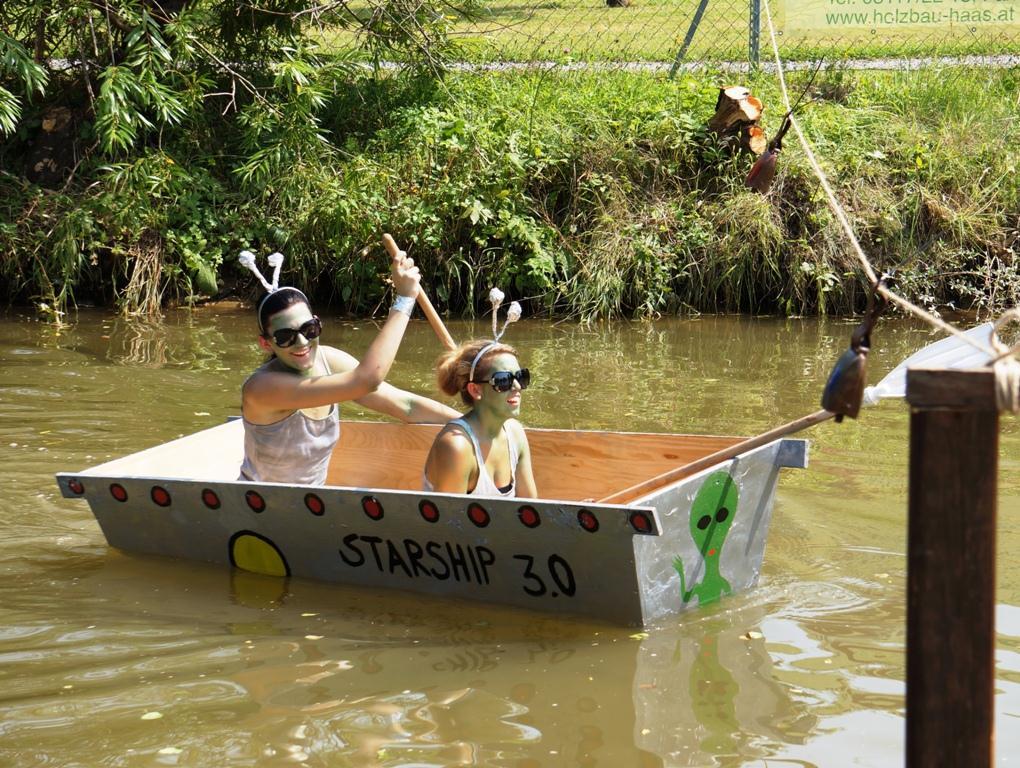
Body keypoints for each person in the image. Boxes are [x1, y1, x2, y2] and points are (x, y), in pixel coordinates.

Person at [237, 243, 460, 485]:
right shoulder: (261, 388)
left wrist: (471, 425)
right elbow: (367, 379)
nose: (301, 342)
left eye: (309, 329)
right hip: (261, 507)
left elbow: (405, 406)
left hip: (312, 506)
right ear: (266, 343)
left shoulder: (329, 359)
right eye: (285, 336)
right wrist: (405, 299)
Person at [423, 338, 537, 498]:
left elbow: (530, 508)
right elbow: (450, 520)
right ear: (475, 390)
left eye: (521, 376)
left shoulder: (515, 433)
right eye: (503, 380)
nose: (517, 386)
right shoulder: (457, 446)